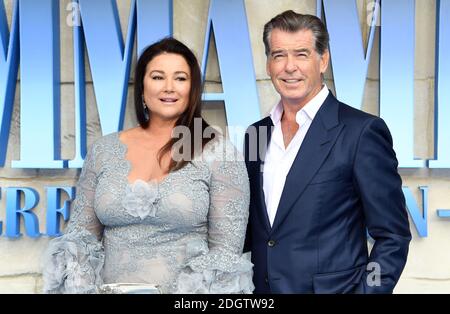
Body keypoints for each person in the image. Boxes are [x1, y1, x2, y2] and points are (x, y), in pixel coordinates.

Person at [42, 37, 254, 294]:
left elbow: (225, 256)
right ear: (142, 88)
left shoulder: (220, 154)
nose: (169, 87)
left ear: (192, 89)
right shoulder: (103, 150)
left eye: (180, 78)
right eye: (157, 77)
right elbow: (80, 241)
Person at [243, 10, 411, 293]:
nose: (289, 67)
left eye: (301, 54)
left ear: (323, 60)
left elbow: (393, 236)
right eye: (279, 55)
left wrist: (368, 292)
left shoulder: (361, 132)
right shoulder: (255, 133)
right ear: (269, 64)